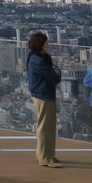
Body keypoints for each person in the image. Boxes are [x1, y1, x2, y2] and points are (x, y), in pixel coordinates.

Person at [26, 31, 62, 168]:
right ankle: (45, 158)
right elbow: (53, 76)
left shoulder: (36, 56)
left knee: (48, 126)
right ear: (40, 44)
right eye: (46, 43)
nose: (48, 45)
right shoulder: (39, 60)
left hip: (43, 92)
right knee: (45, 126)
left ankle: (46, 154)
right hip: (43, 93)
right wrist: (57, 75)